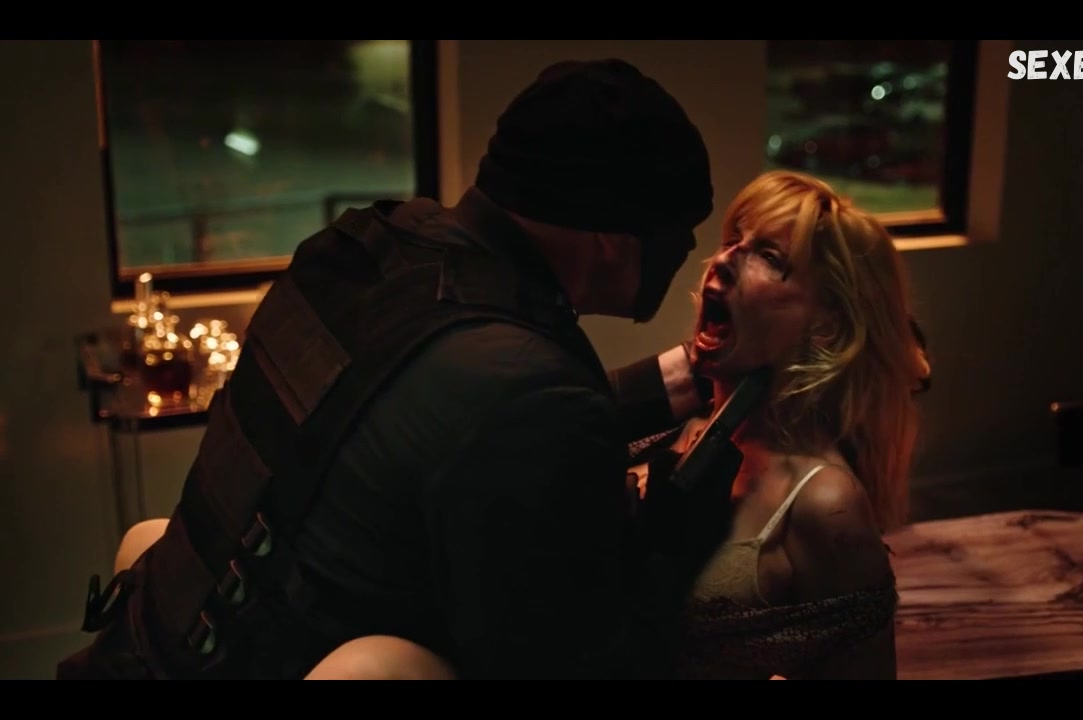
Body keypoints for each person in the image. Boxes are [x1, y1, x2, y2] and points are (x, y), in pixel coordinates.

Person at [56, 58, 737, 680]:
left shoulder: (359, 252)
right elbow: (567, 659)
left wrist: (682, 376)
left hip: (143, 647)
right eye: (684, 231)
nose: (705, 255)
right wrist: (671, 542)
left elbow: (452, 431)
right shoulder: (530, 392)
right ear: (613, 241)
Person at [629, 169, 933, 680]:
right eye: (733, 240)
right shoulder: (674, 428)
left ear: (826, 322)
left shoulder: (823, 502)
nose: (723, 259)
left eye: (769, 258)